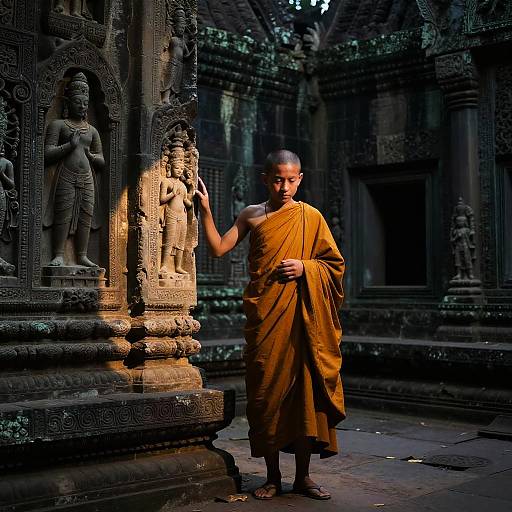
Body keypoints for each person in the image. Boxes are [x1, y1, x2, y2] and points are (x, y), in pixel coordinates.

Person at [196, 149, 345, 501]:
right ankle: (274, 476)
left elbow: (334, 264)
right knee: (267, 395)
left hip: (301, 322)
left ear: (300, 179)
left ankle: (304, 477)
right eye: (278, 179)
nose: (285, 187)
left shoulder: (311, 217)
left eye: (292, 180)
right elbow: (218, 248)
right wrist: (205, 211)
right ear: (265, 179)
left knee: (303, 396)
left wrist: (307, 267)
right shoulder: (252, 216)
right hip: (266, 320)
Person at [44, 72, 104, 267]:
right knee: (64, 212)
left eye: (85, 103)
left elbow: (101, 160)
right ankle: (59, 255)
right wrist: (69, 146)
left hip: (87, 177)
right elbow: (47, 154)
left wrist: (92, 156)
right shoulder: (58, 125)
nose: (82, 106)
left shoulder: (92, 130)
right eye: (78, 102)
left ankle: (82, 255)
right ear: (68, 103)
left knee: (86, 214)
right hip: (66, 176)